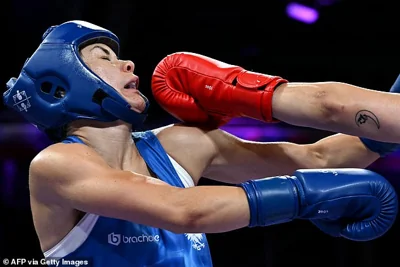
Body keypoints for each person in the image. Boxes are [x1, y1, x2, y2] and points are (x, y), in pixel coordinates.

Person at [2, 20, 398, 267]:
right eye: (103, 56)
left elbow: (319, 157)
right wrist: (301, 197)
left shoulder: (181, 144)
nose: (128, 64)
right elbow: (184, 211)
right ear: (60, 87)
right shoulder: (56, 165)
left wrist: (390, 122)